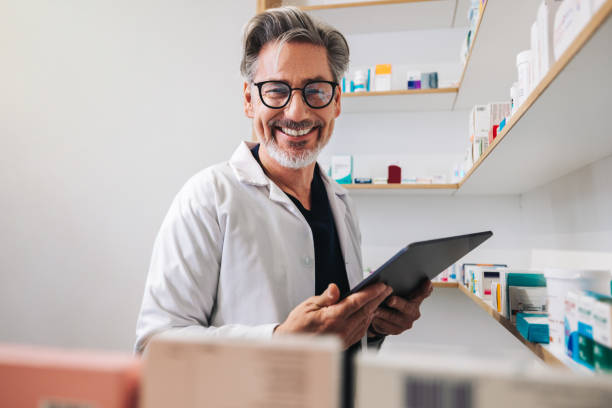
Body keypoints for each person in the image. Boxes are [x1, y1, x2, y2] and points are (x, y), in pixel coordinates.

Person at [135, 6, 432, 355]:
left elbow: (339, 337)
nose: (297, 112)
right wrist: (278, 341)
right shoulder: (207, 198)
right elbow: (154, 346)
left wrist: (374, 324)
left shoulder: (341, 204)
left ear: (336, 101)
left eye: (316, 90)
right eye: (276, 90)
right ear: (249, 100)